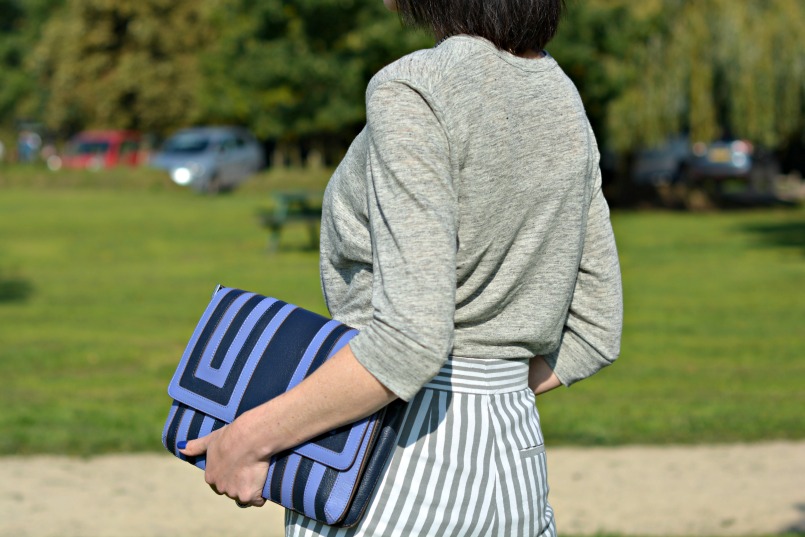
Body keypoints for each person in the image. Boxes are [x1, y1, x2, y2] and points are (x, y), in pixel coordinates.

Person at [181, 0, 623, 535]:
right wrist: (487, 391)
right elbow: (597, 328)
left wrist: (249, 437)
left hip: (397, 469)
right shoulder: (559, 95)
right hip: (515, 468)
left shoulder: (416, 89)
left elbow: (408, 342)